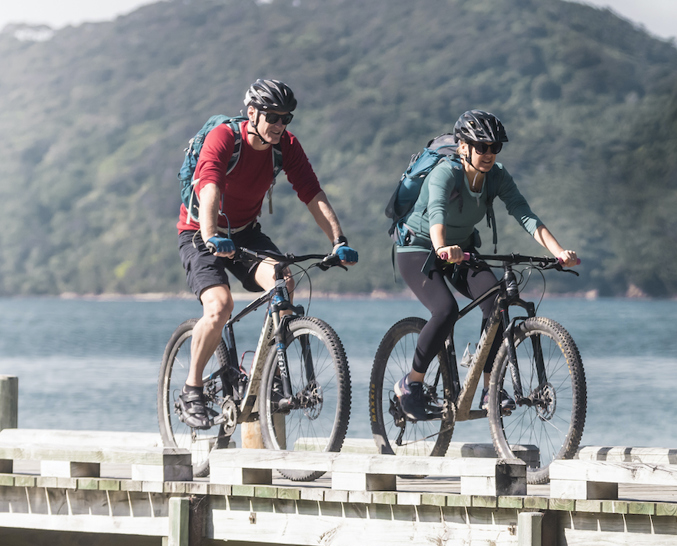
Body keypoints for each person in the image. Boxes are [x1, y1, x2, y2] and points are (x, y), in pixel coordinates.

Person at [176, 79, 358, 428]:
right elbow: (209, 184)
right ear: (252, 113)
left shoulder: (285, 145)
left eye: (285, 118)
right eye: (272, 117)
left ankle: (270, 375)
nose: (279, 125)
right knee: (219, 307)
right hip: (200, 232)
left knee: (283, 280)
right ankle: (192, 389)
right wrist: (211, 234)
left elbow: (311, 192)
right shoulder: (224, 139)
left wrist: (338, 238)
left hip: (245, 233)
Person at [391, 110, 579, 420]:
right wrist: (441, 247)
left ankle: (490, 388)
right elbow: (437, 211)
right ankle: (411, 383)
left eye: (495, 148)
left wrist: (559, 252)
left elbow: (525, 214)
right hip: (418, 247)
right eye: (482, 147)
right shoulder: (445, 173)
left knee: (496, 302)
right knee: (446, 310)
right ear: (463, 146)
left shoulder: (497, 177)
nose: (489, 154)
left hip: (461, 250)